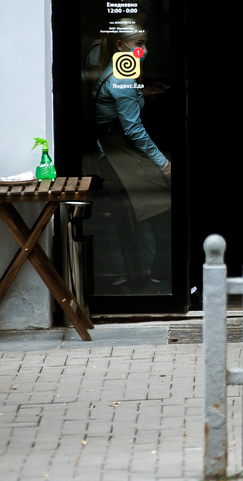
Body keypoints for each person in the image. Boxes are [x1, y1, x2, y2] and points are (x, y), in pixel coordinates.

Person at [93, 19, 172, 293]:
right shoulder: (123, 75)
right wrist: (162, 163)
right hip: (119, 153)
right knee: (157, 207)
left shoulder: (114, 71)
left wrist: (143, 92)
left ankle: (143, 273)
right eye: (140, 44)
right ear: (120, 46)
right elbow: (133, 129)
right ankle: (148, 275)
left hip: (110, 150)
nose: (145, 50)